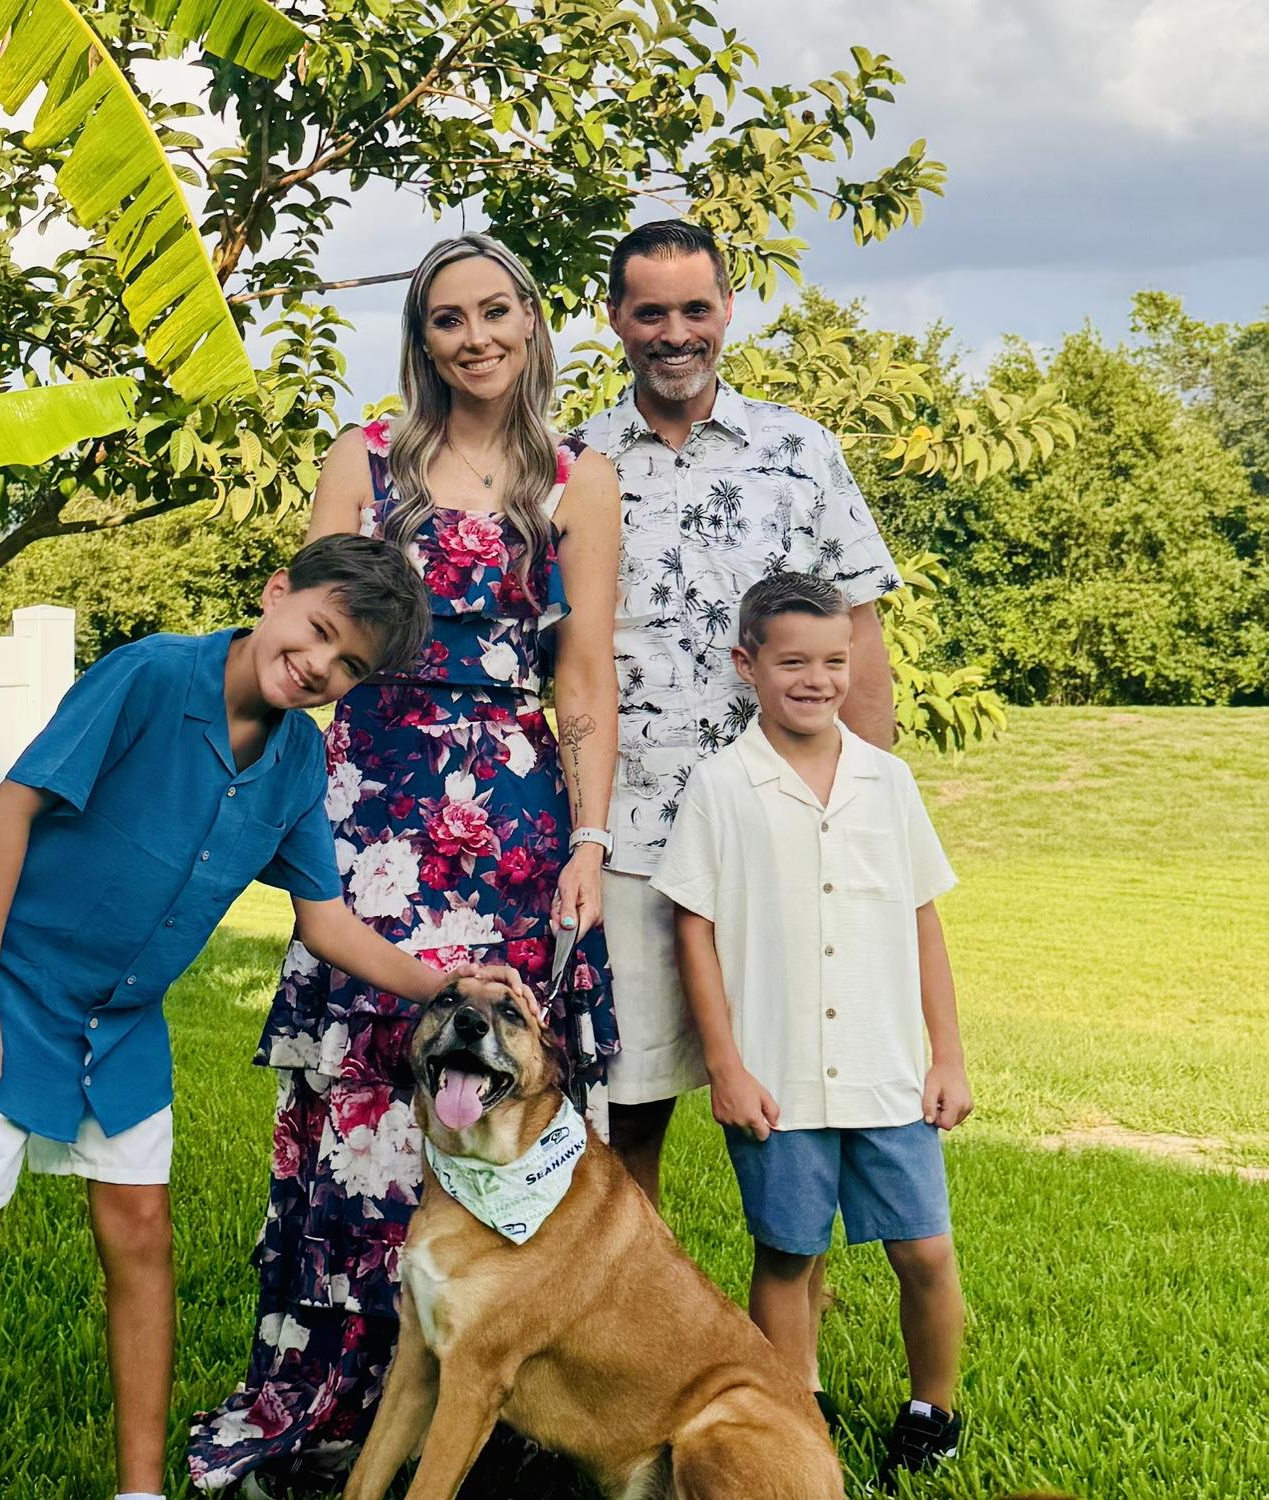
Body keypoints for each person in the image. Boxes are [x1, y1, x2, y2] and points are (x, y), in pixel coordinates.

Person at [0, 535, 536, 1500]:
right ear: (276, 592)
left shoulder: (298, 760)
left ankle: (141, 1490)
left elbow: (324, 921)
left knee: (142, 1233)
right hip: (7, 985)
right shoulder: (148, 676)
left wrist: (447, 985)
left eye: (350, 665)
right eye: (318, 631)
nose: (319, 666)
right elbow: (9, 811)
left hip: (121, 1020)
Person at [187, 232, 621, 1493]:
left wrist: (589, 838)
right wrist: (275, 791)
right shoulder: (365, 457)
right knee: (366, 1091)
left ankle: (494, 1394)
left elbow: (583, 676)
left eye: (495, 312)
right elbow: (311, 632)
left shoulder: (579, 478)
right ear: (420, 338)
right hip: (373, 799)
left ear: (531, 321)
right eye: (447, 318)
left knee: (499, 1083)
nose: (475, 338)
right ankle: (334, 1394)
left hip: (516, 816)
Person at [574, 218, 903, 1207]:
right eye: (651, 312)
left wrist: (868, 807)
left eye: (695, 308)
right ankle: (630, 1293)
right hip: (629, 830)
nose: (676, 333)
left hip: (778, 826)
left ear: (727, 308)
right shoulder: (574, 461)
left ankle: (789, 1299)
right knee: (626, 1105)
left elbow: (860, 637)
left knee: (791, 1098)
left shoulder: (801, 450)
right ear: (615, 318)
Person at [652, 572, 973, 1486]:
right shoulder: (722, 784)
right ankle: (799, 1416)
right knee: (789, 1252)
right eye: (793, 662)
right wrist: (726, 1066)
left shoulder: (888, 781)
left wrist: (947, 1056)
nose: (818, 679)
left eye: (835, 660)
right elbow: (694, 929)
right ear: (746, 664)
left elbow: (922, 919)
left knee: (925, 1249)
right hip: (777, 1074)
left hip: (886, 1069)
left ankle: (933, 1413)